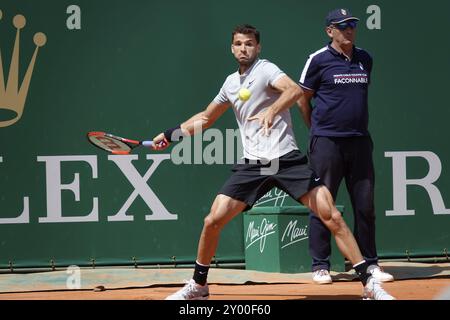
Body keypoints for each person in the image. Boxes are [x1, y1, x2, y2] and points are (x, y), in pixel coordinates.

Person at [153, 24, 394, 300]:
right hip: (254, 165)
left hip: (287, 160)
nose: (244, 48)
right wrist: (171, 135)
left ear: (258, 47)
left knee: (332, 216)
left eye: (250, 44)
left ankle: (369, 285)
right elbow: (206, 119)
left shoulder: (266, 69)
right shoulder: (231, 84)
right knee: (212, 220)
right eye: (239, 44)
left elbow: (293, 91)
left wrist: (272, 109)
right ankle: (199, 285)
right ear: (232, 48)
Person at [297, 8, 394, 285]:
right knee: (322, 204)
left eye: (352, 24)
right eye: (342, 26)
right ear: (330, 31)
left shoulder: (365, 58)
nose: (349, 29)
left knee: (365, 205)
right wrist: (315, 129)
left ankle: (368, 263)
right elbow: (302, 99)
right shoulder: (317, 60)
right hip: (327, 142)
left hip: (360, 141)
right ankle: (320, 265)